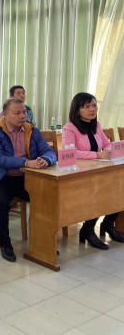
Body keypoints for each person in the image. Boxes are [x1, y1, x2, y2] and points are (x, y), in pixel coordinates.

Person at [0, 98, 56, 262]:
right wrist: (26, 163)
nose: (23, 116)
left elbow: (49, 152)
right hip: (0, 177)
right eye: (17, 113)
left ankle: (43, 240)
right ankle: (5, 244)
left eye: (24, 112)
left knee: (45, 198)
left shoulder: (31, 129)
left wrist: (45, 160)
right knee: (0, 202)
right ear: (6, 115)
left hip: (26, 177)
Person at [63, 92, 124, 249]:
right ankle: (88, 229)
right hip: (79, 172)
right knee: (102, 191)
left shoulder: (96, 125)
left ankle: (108, 224)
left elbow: (106, 143)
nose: (92, 109)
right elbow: (70, 152)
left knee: (119, 188)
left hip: (97, 168)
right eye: (87, 106)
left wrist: (109, 150)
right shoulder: (69, 128)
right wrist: (97, 154)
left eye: (94, 105)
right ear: (77, 109)